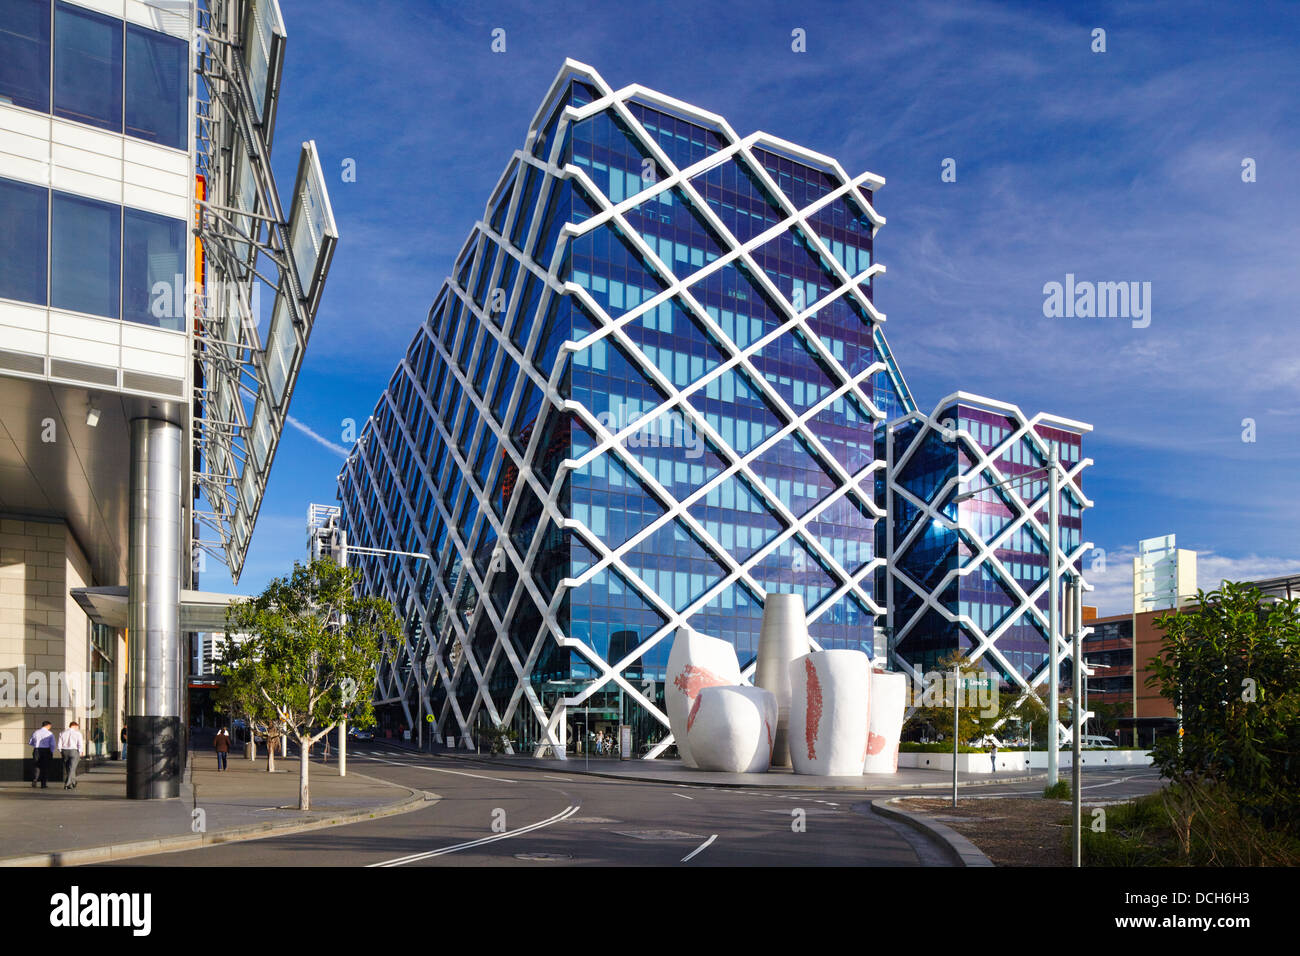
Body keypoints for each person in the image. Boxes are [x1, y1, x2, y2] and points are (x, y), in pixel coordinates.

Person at [58, 721, 84, 790]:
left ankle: (73, 782)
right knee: (72, 768)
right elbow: (80, 744)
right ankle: (67, 784)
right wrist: (80, 751)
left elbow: (59, 744)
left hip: (64, 751)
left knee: (68, 768)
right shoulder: (78, 733)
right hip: (74, 751)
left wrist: (61, 751)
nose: (77, 729)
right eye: (77, 727)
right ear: (75, 726)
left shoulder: (62, 733)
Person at [29, 721, 55, 789]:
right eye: (50, 726)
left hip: (37, 750)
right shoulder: (50, 733)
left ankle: (35, 780)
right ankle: (43, 784)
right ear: (48, 726)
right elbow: (52, 744)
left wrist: (36, 745)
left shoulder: (36, 732)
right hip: (46, 750)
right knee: (45, 767)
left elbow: (31, 742)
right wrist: (51, 751)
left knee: (36, 765)